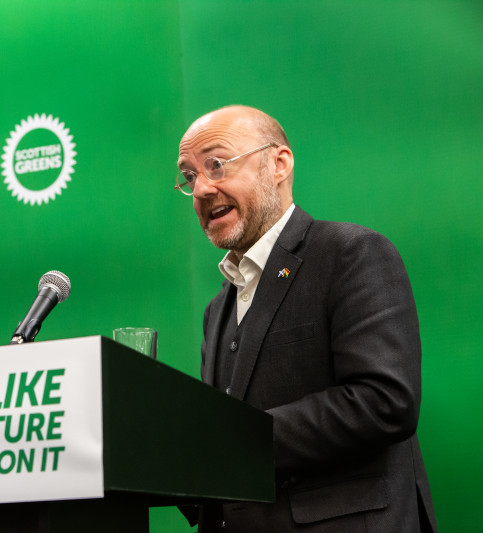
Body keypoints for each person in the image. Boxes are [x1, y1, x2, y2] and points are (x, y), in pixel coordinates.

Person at [176, 106, 436, 532]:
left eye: (217, 165)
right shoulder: (217, 308)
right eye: (189, 176)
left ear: (278, 164)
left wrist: (230, 441)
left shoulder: (351, 254)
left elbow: (385, 401)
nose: (202, 188)